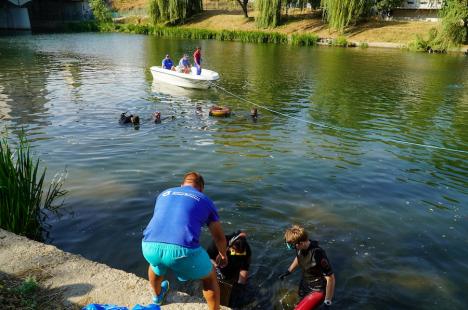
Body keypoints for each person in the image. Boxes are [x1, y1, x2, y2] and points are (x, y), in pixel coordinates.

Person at [141, 172, 228, 309]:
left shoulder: (164, 193)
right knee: (210, 276)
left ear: (182, 185)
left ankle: (157, 297)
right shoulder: (204, 199)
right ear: (201, 189)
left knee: (155, 265)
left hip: (148, 246)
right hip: (182, 252)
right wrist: (223, 255)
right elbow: (219, 237)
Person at [279, 225, 335, 310]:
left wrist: (328, 301)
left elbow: (330, 278)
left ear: (301, 243)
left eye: (293, 246)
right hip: (305, 284)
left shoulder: (318, 254)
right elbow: (299, 257)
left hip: (317, 290)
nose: (292, 248)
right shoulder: (300, 247)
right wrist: (289, 271)